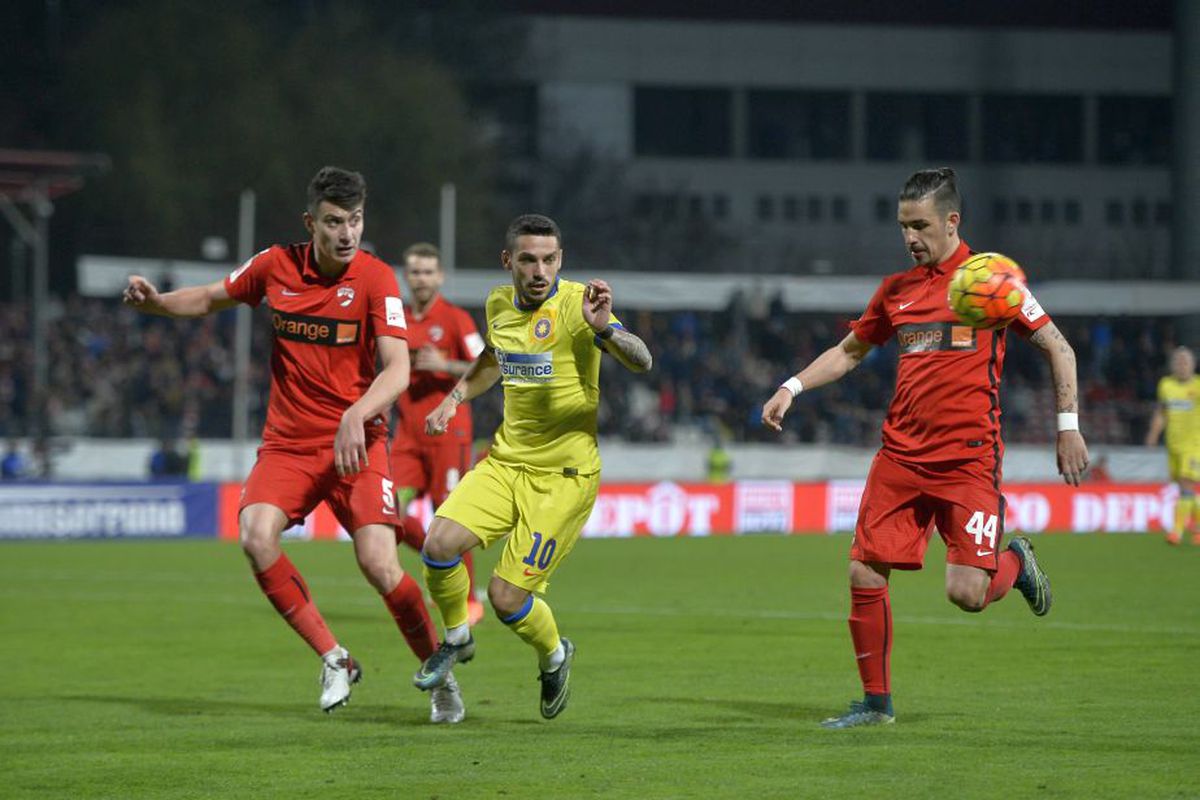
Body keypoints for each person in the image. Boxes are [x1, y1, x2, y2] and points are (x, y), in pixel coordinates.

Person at [122, 166, 464, 723]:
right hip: (290, 443)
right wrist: (157, 303)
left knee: (379, 563)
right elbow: (210, 298)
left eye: (354, 220)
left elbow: (398, 368)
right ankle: (334, 657)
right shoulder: (273, 266)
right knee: (256, 536)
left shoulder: (377, 279)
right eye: (334, 222)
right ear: (312, 223)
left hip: (360, 442)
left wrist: (357, 413)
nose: (346, 233)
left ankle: (439, 675)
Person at [762, 167, 1089, 729]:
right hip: (901, 458)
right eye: (902, 226)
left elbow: (1060, 348)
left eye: (919, 225)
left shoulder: (992, 283)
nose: (910, 237)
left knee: (966, 593)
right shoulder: (896, 291)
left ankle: (1015, 562)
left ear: (952, 221)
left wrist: (1068, 425)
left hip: (968, 461)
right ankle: (875, 705)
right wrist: (792, 386)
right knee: (864, 572)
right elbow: (848, 352)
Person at [411, 213, 652, 719]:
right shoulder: (498, 303)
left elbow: (641, 360)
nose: (540, 269)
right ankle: (455, 637)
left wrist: (605, 328)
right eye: (528, 259)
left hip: (563, 479)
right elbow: (494, 359)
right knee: (438, 544)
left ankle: (554, 655)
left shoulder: (580, 305)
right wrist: (454, 397)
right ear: (509, 262)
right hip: (506, 463)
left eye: (549, 259)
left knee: (504, 598)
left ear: (560, 260)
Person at [390, 242, 487, 625]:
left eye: (429, 271)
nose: (422, 278)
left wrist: (445, 363)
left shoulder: (456, 318)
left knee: (449, 517)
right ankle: (438, 561)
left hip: (449, 430)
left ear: (440, 276)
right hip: (407, 434)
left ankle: (467, 600)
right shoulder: (396, 318)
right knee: (387, 515)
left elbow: (484, 366)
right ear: (406, 275)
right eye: (415, 271)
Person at [1144, 346, 1200, 545]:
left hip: (1194, 446)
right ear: (1172, 365)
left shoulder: (1198, 386)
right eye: (1178, 361)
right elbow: (1161, 412)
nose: (1182, 365)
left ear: (1193, 365)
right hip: (1174, 445)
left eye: (1186, 361)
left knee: (1186, 485)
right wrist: (1153, 433)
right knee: (1186, 489)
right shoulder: (1166, 385)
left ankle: (1176, 531)